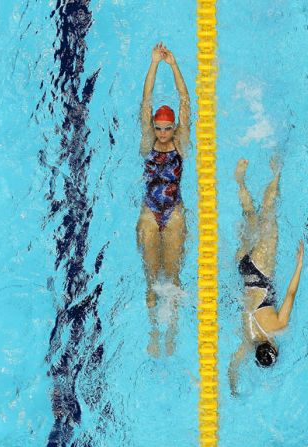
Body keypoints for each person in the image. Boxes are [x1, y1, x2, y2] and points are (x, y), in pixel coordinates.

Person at [227, 157, 303, 395]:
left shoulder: (277, 326)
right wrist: (232, 387)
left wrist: (299, 264)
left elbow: (291, 293)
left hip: (261, 270)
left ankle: (276, 173)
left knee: (268, 212)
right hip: (243, 268)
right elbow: (232, 367)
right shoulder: (247, 343)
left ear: (274, 349)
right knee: (250, 216)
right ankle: (240, 183)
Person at [136, 43, 191, 357]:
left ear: (174, 128)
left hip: (174, 214)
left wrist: (173, 65)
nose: (161, 133)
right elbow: (145, 102)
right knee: (150, 278)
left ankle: (171, 334)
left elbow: (186, 101)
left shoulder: (181, 143)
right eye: (157, 128)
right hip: (148, 212)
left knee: (172, 277)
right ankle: (153, 335)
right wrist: (153, 64)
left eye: (166, 128)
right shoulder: (148, 141)